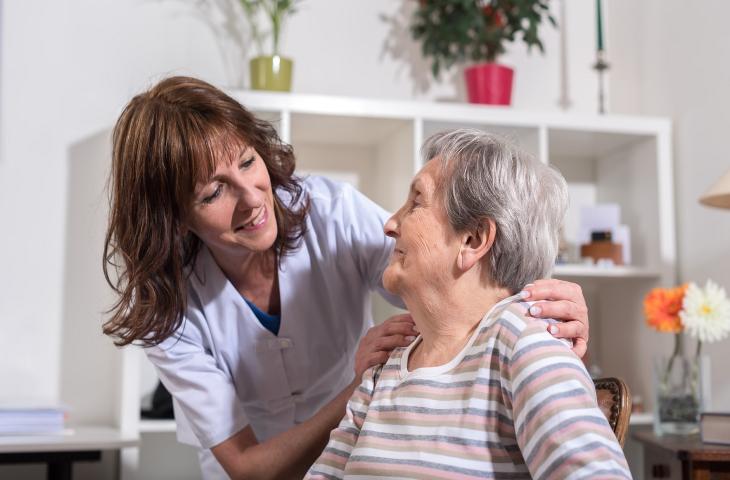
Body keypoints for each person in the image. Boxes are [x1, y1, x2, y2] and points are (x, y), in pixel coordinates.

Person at [102, 77, 591, 479]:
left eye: (249, 162)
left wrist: (541, 306)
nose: (253, 198)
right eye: (213, 193)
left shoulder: (332, 214)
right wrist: (361, 386)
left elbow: (451, 278)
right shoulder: (168, 311)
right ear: (175, 219)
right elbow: (248, 468)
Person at [306, 130, 630, 479]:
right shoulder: (386, 364)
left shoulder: (523, 342)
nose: (389, 224)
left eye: (416, 201)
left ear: (473, 239)